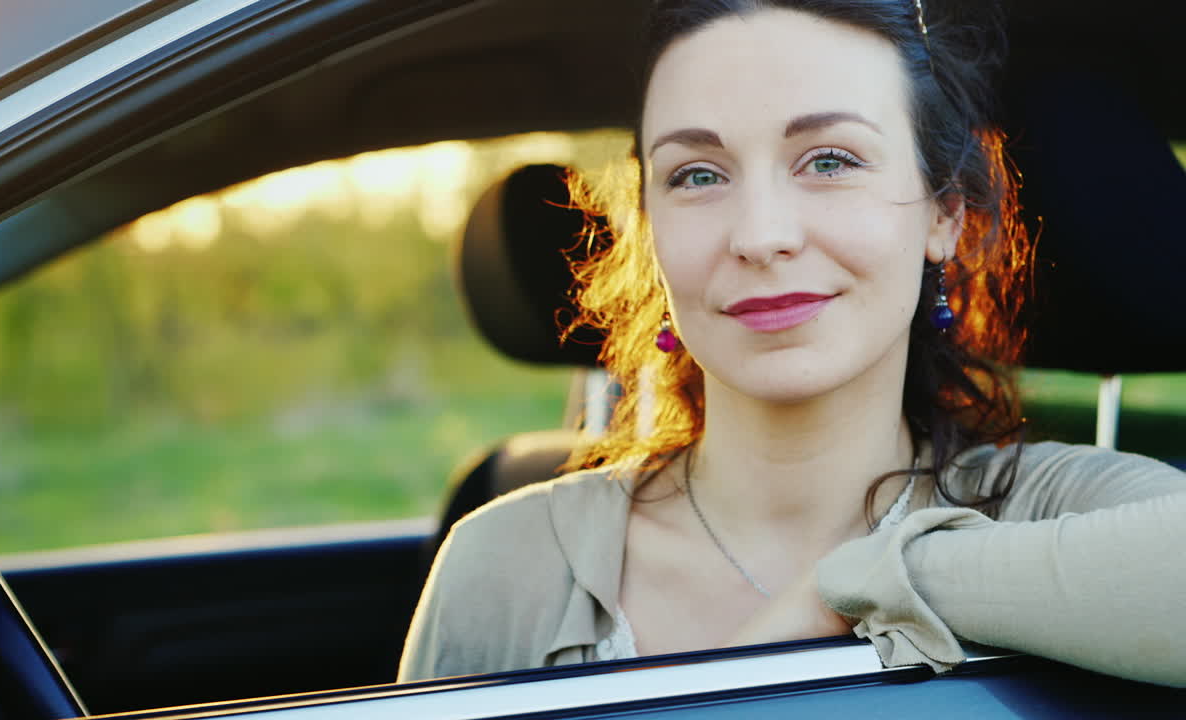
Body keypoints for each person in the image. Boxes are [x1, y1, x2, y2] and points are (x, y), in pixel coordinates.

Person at [398, 0, 1186, 686]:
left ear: (945, 214)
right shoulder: (503, 563)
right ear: (650, 232)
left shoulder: (1049, 511)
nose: (761, 236)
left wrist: (870, 581)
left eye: (830, 160)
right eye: (698, 175)